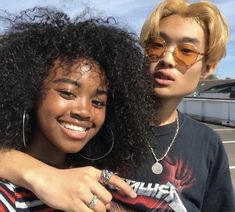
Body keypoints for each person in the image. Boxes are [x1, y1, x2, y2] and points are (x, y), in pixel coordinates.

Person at [0, 7, 155, 211]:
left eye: (98, 102)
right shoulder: (7, 196)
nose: (84, 111)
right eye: (67, 93)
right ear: (29, 93)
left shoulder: (100, 187)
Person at [109, 0, 235, 211]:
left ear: (208, 68)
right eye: (157, 45)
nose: (167, 58)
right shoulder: (100, 122)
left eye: (186, 51)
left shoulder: (207, 144)